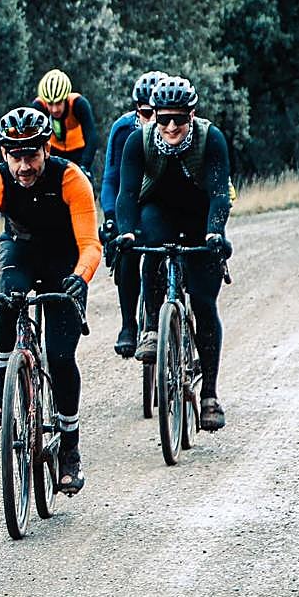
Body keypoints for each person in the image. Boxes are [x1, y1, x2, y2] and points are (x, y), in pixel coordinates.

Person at [0, 107, 101, 492]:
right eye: (15, 156)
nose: (24, 166)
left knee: (62, 357)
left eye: (31, 154)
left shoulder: (71, 179)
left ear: (46, 148)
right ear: (4, 154)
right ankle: (1, 382)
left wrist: (79, 279)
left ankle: (69, 447)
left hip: (63, 258)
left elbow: (89, 245)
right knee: (7, 300)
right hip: (19, 249)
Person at [114, 76, 232, 431]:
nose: (170, 126)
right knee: (151, 247)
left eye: (179, 119)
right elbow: (127, 193)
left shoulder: (211, 139)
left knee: (204, 302)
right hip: (158, 211)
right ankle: (152, 325)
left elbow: (219, 193)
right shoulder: (139, 141)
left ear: (192, 115)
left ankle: (209, 394)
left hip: (200, 218)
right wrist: (126, 232)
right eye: (163, 118)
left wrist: (215, 231)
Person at [100, 70, 166, 357]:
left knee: (156, 248)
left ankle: (155, 322)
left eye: (158, 113)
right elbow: (110, 178)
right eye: (145, 113)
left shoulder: (173, 128)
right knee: (127, 250)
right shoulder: (123, 128)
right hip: (131, 200)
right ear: (136, 110)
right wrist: (111, 216)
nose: (152, 121)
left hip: (163, 204)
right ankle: (129, 324)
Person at [34, 68, 99, 182]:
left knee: (85, 185)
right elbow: (34, 139)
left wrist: (85, 166)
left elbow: (91, 136)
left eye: (58, 103)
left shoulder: (78, 104)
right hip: (53, 151)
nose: (54, 109)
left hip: (78, 151)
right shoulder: (39, 107)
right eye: (50, 104)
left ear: (65, 98)